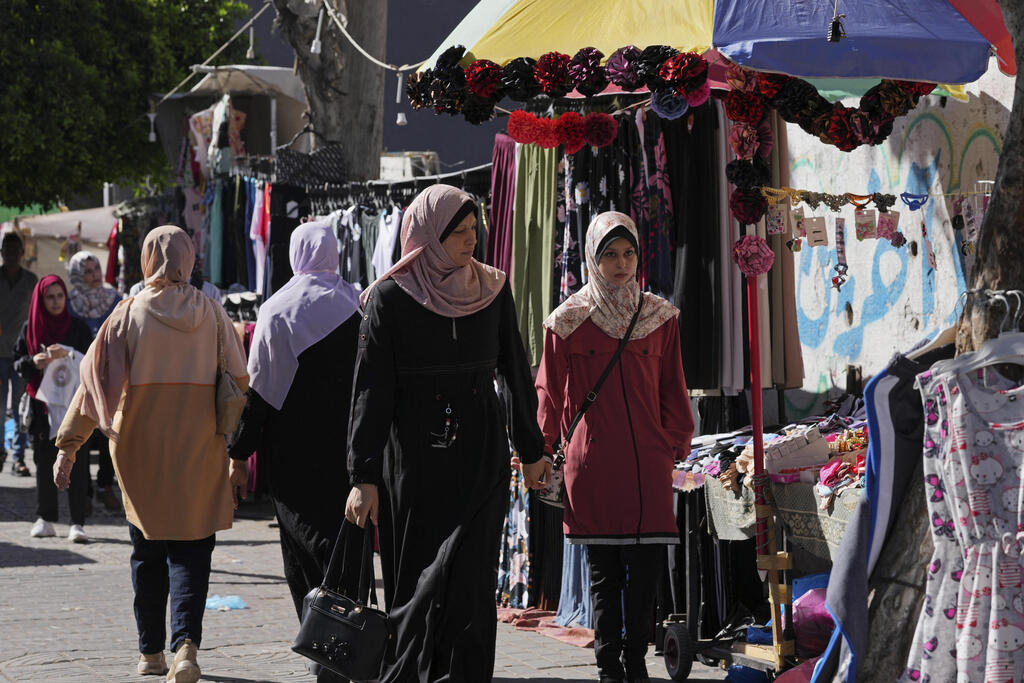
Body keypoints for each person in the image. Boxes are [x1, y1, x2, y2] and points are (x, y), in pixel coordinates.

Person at [345, 184, 548, 682]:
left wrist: (532, 448)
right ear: (429, 237)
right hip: (413, 466)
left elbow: (516, 373)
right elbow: (370, 392)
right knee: (417, 585)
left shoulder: (493, 290)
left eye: (475, 229)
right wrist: (363, 474)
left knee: (473, 588)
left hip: (481, 458)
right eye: (458, 232)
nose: (471, 240)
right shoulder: (389, 299)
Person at [53, 226, 248, 682]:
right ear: (188, 259)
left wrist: (68, 447)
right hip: (199, 453)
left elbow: (93, 388)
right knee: (193, 552)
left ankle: (150, 654)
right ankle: (186, 647)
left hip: (139, 454)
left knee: (146, 551)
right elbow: (240, 381)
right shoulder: (215, 314)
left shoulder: (127, 314)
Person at [535, 212, 694, 683]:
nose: (621, 264)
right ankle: (607, 667)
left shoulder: (660, 318)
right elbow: (547, 390)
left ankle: (635, 664)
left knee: (644, 574)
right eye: (609, 254)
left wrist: (674, 443)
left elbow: (674, 387)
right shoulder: (567, 321)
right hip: (595, 466)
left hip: (648, 465)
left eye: (628, 254)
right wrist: (541, 450)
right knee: (604, 576)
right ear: (591, 258)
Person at [229, 222, 362, 683]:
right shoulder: (358, 303)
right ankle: (346, 636)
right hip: (348, 446)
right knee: (345, 539)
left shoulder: (276, 310)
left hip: (292, 449)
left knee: (302, 545)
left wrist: (240, 454)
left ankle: (322, 640)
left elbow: (261, 393)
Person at [13, 275, 93, 541]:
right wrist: (33, 362)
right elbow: (18, 363)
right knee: (44, 461)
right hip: (42, 407)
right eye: (50, 297)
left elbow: (92, 362)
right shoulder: (31, 328)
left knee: (77, 462)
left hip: (73, 406)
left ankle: (77, 522)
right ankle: (45, 518)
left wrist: (68, 353)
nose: (56, 302)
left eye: (60, 296)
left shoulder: (78, 328)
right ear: (41, 299)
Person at [66, 251, 123, 512]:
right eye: (87, 271)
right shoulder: (69, 304)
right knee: (84, 432)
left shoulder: (115, 299)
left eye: (96, 269)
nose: (94, 275)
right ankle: (84, 491)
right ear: (77, 274)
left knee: (108, 432)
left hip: (111, 376)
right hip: (80, 378)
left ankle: (105, 486)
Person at [0, 232, 37, 476]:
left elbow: (36, 318)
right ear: (2, 252)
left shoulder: (31, 281)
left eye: (16, 250)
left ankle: (19, 457)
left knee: (21, 407)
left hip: (21, 354)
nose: (12, 255)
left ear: (22, 253)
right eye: (7, 250)